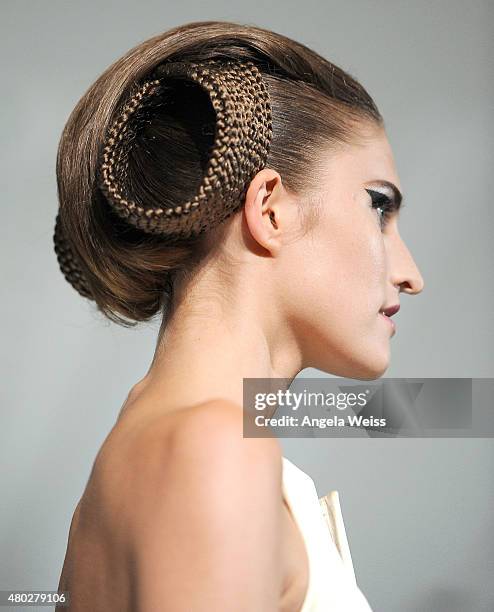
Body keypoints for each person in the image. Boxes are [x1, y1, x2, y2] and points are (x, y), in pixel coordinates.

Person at [53, 19, 424, 611]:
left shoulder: (149, 452)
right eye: (378, 207)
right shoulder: (215, 450)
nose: (411, 273)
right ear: (271, 211)